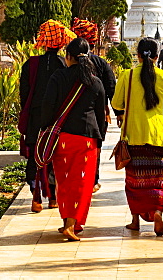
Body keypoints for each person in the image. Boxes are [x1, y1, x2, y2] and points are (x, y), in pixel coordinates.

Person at [40, 37, 108, 241]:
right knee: (82, 183)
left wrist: (45, 130)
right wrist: (100, 137)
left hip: (63, 138)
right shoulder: (95, 82)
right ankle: (73, 223)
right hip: (87, 140)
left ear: (68, 57)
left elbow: (47, 107)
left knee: (64, 181)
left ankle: (67, 221)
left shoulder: (57, 77)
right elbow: (100, 113)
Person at [111, 37, 163, 236]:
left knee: (134, 181)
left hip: (133, 136)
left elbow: (117, 103)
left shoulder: (127, 75)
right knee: (157, 180)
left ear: (137, 55)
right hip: (157, 136)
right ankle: (157, 212)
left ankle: (135, 220)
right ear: (157, 56)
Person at [19, 19, 75, 213]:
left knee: (35, 156)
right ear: (61, 42)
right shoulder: (65, 65)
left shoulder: (31, 64)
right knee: (54, 157)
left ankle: (36, 196)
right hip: (57, 120)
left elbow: (24, 95)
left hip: (35, 117)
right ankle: (52, 197)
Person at [71, 17, 117, 192]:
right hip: (97, 114)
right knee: (94, 148)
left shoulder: (67, 62)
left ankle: (73, 179)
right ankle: (92, 180)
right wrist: (118, 112)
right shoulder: (100, 63)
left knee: (73, 150)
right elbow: (111, 87)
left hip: (71, 113)